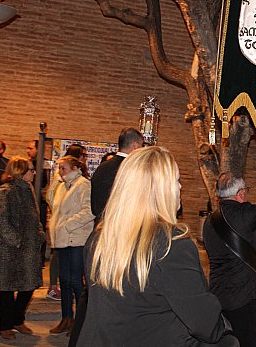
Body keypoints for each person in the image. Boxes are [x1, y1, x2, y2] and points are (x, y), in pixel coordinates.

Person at [78, 146, 238, 346]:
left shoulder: (100, 237)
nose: (180, 187)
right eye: (176, 180)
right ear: (160, 189)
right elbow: (205, 323)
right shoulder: (171, 244)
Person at [68, 128, 143, 346]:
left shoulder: (102, 168)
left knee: (91, 294)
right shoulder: (130, 169)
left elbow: (94, 207)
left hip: (98, 236)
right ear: (136, 145)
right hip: (120, 238)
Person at [203, 155, 256, 347]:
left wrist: (255, 237)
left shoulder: (209, 221)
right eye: (246, 191)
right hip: (243, 299)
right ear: (240, 193)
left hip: (218, 297)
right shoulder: (245, 214)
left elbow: (226, 249)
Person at [0, 157, 45, 340]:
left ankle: (18, 319)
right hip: (9, 250)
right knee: (8, 288)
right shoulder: (6, 191)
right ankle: (6, 325)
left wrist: (40, 234)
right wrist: (16, 240)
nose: (34, 173)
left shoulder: (28, 189)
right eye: (31, 170)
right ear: (20, 170)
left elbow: (35, 217)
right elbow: (0, 219)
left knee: (29, 286)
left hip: (28, 248)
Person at [47, 156, 94, 335]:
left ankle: (81, 321)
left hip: (76, 239)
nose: (60, 171)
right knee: (64, 280)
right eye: (59, 168)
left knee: (75, 281)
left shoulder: (83, 184)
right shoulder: (62, 186)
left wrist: (68, 225)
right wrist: (54, 183)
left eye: (63, 168)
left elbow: (89, 211)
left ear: (75, 168)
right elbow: (51, 203)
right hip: (62, 239)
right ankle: (66, 318)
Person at [91, 128, 144, 223]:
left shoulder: (102, 166)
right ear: (135, 146)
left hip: (99, 226)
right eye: (141, 145)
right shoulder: (132, 168)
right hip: (121, 226)